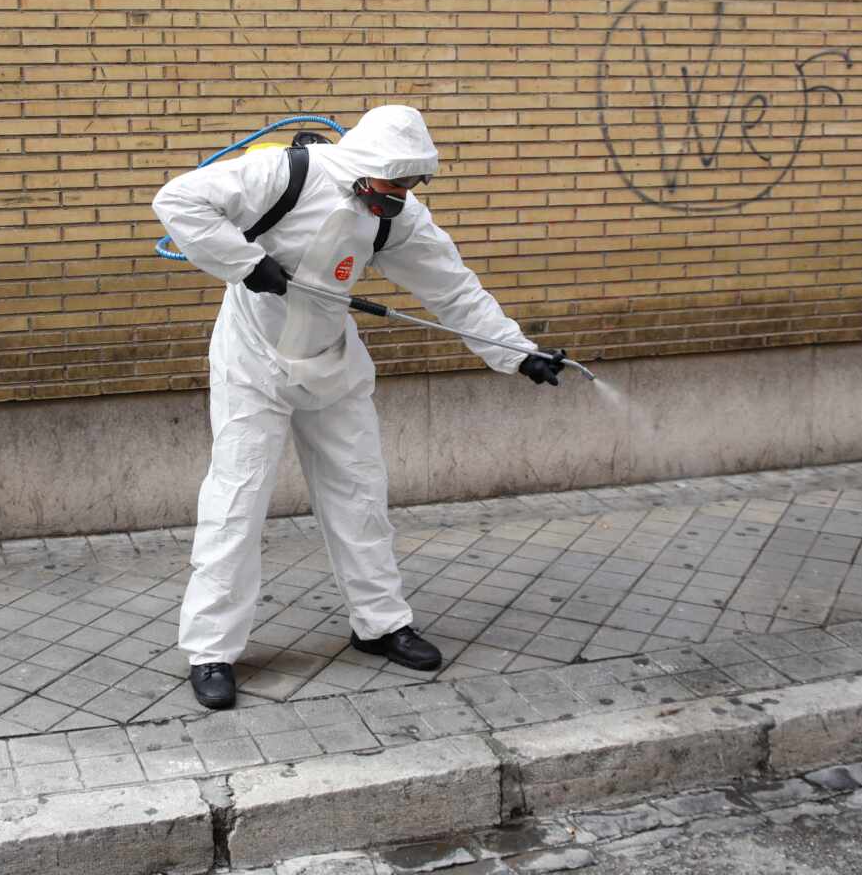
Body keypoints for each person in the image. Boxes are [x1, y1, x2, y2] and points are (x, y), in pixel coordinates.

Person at [152, 105, 565, 709]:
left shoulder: (395, 218)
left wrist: (517, 353)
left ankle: (381, 623)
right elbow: (178, 201)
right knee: (236, 502)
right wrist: (248, 265)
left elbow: (454, 289)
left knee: (360, 494)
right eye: (392, 183)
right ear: (365, 168)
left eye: (409, 185)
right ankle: (212, 650)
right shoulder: (283, 176)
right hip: (254, 365)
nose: (400, 196)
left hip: (332, 365)